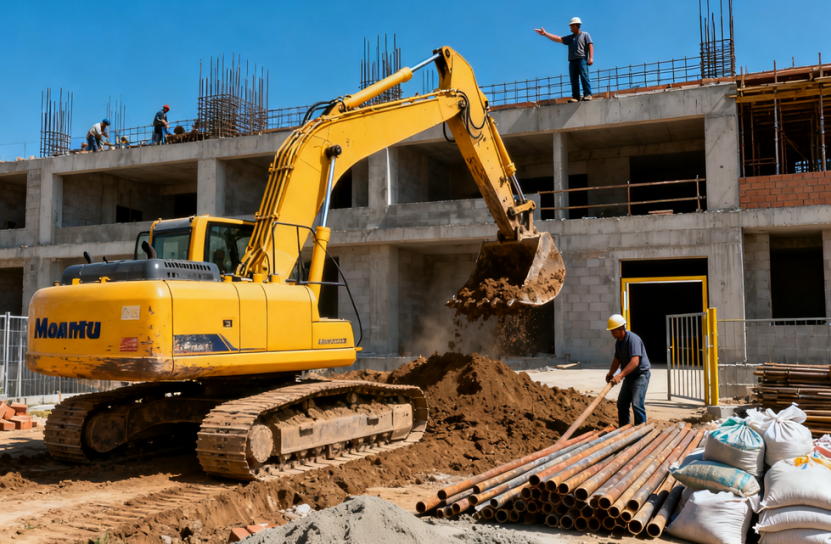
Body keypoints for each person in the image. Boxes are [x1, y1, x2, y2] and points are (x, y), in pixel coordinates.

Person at [604, 314, 651, 427]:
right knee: (622, 403)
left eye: (613, 330)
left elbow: (634, 362)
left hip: (640, 375)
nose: (612, 333)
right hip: (630, 375)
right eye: (611, 331)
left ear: (621, 328)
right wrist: (611, 373)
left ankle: (640, 432)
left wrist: (620, 375)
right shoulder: (619, 342)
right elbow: (617, 359)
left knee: (637, 404)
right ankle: (625, 429)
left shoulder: (632, 339)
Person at [534, 17, 594, 103]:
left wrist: (591, 58)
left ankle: (588, 94)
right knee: (574, 80)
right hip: (572, 61)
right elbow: (558, 39)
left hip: (582, 60)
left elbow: (590, 45)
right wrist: (545, 34)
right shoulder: (570, 38)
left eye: (572, 26)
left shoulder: (585, 35)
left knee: (584, 76)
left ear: (576, 26)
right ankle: (576, 97)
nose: (570, 28)